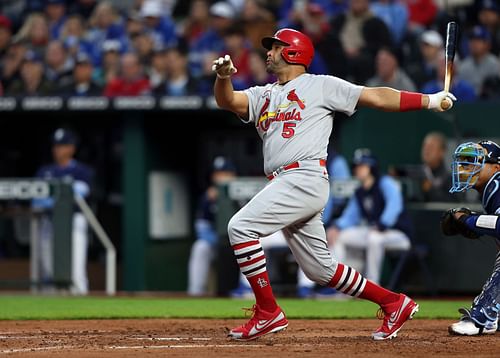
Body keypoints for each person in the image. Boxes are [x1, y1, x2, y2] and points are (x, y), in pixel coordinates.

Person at [212, 27, 456, 341]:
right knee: (319, 270)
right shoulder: (264, 94)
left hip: (304, 177)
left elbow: (377, 96)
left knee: (240, 227)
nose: (269, 52)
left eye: (275, 47)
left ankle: (267, 311)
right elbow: (228, 101)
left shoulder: (320, 86)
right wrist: (223, 77)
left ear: (293, 52)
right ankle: (394, 303)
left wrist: (431, 101)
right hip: (285, 181)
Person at [328, 148, 413, 285]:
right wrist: (337, 226)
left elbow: (394, 206)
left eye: (362, 166)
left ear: (371, 167)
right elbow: (350, 217)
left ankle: (372, 285)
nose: (357, 169)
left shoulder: (385, 183)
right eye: (356, 166)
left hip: (399, 234)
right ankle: (340, 284)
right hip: (375, 231)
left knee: (374, 238)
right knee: (340, 236)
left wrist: (382, 224)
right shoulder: (360, 191)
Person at [443, 140, 500, 335]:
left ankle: (483, 316)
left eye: (475, 162)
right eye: (465, 162)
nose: (466, 168)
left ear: (496, 167)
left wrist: (469, 221)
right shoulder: (491, 191)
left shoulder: (498, 185)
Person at [32, 128, 94, 295]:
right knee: (48, 269)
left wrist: (54, 196)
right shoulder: (44, 171)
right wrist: (59, 196)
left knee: (75, 269)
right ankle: (49, 316)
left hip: (73, 221)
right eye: (55, 146)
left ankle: (79, 302)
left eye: (62, 145)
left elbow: (81, 192)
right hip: (48, 221)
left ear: (71, 148)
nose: (57, 149)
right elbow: (36, 198)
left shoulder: (82, 171)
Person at [187, 156, 237, 296]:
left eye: (225, 174)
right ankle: (195, 293)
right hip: (217, 242)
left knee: (255, 248)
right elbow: (201, 226)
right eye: (217, 174)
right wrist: (220, 242)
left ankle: (249, 291)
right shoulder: (207, 197)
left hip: (241, 242)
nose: (221, 178)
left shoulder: (243, 193)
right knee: (200, 247)